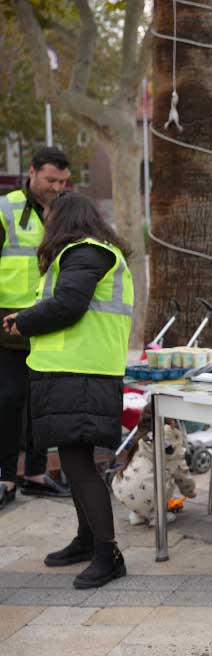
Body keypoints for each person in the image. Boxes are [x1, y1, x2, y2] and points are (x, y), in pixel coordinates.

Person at [2, 193, 133, 589]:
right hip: (73, 371)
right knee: (76, 462)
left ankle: (108, 553)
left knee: (78, 464)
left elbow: (68, 305)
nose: (45, 223)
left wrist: (25, 321)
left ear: (63, 219)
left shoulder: (86, 253)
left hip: (84, 372)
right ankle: (87, 539)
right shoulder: (83, 254)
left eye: (48, 215)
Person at [0, 147, 73, 511]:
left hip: (49, 321)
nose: (57, 187)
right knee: (9, 399)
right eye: (50, 180)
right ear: (31, 172)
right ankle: (5, 477)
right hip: (7, 323)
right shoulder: (6, 208)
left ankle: (35, 473)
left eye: (63, 181)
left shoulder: (67, 211)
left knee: (43, 402)